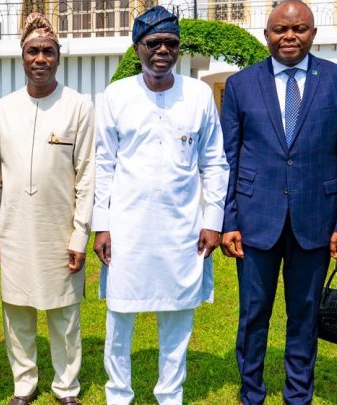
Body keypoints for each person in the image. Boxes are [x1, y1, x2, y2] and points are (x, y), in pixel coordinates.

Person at [219, 1, 337, 403]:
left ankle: (298, 394)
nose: (289, 36)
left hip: (316, 220)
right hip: (255, 221)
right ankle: (251, 392)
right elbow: (228, 159)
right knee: (253, 314)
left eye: (299, 29)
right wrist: (229, 221)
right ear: (266, 34)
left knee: (304, 314)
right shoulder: (241, 84)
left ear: (313, 33)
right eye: (280, 30)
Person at [93, 6, 230, 404]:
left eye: (171, 43)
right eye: (154, 43)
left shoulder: (198, 94)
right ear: (138, 47)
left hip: (182, 227)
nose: (163, 51)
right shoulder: (117, 95)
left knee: (178, 317)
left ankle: (170, 395)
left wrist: (213, 221)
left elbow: (214, 161)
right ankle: (118, 394)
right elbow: (103, 163)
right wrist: (102, 224)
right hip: (128, 227)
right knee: (120, 316)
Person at [0, 13, 95, 405]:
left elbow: (87, 176)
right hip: (14, 227)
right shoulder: (3, 108)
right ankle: (25, 384)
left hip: (60, 228)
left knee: (64, 312)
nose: (40, 58)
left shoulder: (79, 106)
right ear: (22, 57)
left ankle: (67, 387)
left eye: (48, 51)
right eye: (32, 51)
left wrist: (80, 235)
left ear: (58, 57)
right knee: (17, 310)